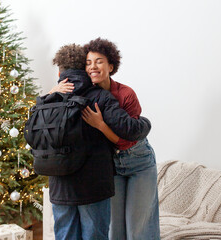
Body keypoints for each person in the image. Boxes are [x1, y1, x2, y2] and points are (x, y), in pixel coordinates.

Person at [48, 43, 152, 240]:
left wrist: (51, 94)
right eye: (89, 63)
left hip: (60, 184)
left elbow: (32, 135)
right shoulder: (100, 98)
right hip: (93, 185)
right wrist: (146, 123)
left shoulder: (48, 99)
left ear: (60, 71)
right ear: (83, 68)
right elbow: (129, 130)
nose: (93, 67)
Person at [82, 38, 160, 240]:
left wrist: (100, 125)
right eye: (88, 62)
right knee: (114, 230)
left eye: (99, 61)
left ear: (111, 66)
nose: (93, 67)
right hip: (111, 166)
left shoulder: (126, 94)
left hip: (139, 161)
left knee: (139, 229)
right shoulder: (86, 96)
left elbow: (128, 140)